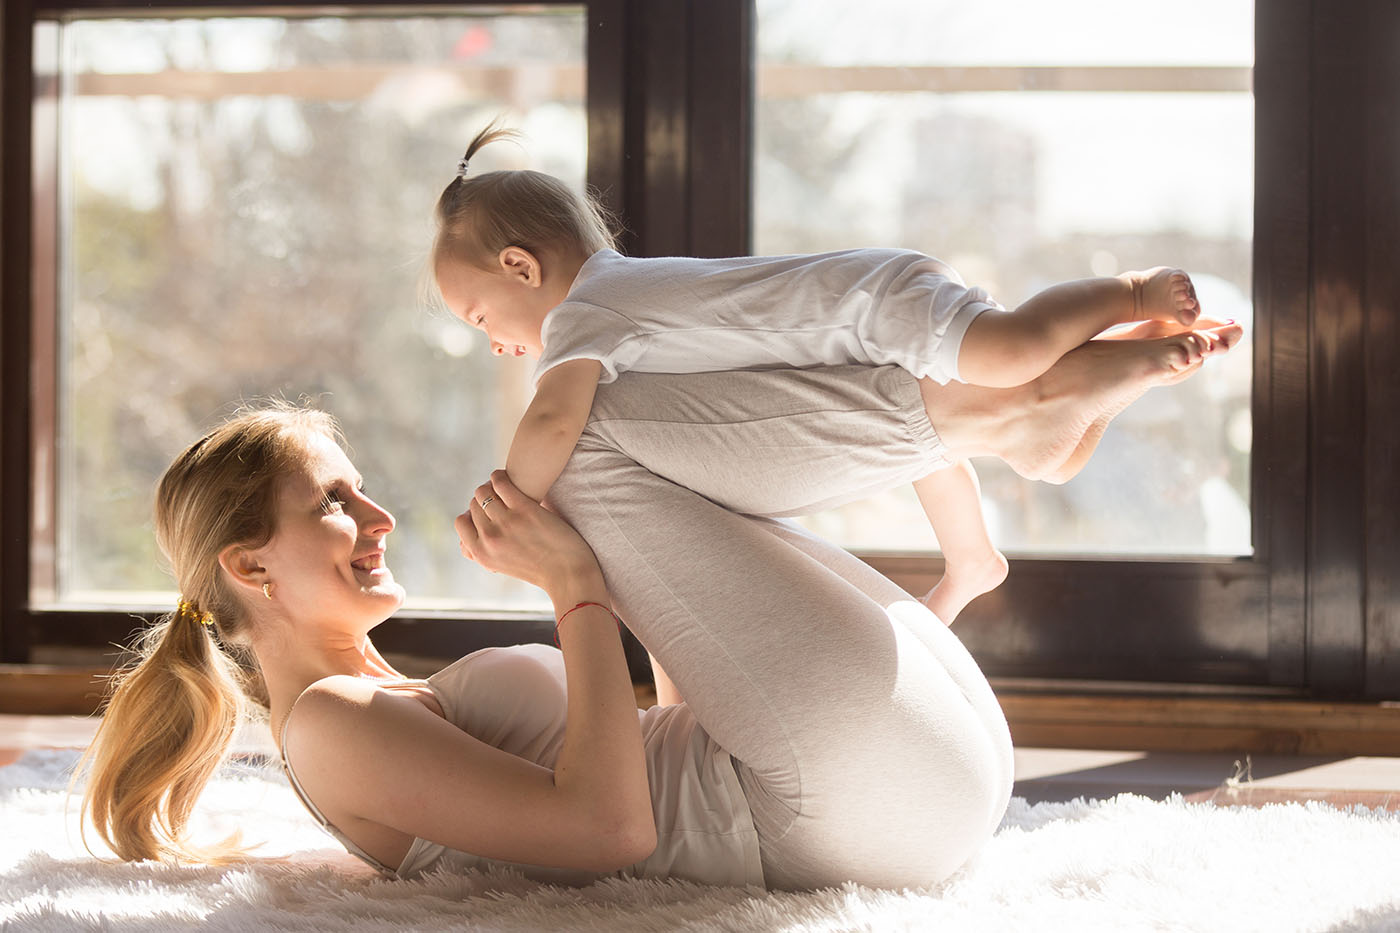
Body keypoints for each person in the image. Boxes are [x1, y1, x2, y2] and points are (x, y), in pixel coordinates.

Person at [78, 334, 1237, 890]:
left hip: (895, 785)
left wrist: (622, 586)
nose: (379, 512)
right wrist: (580, 588)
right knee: (580, 449)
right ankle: (983, 417)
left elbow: (669, 733)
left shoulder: (370, 697)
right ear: (252, 567)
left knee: (602, 451)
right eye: (335, 501)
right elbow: (608, 833)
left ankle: (977, 420)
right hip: (833, 812)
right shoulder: (328, 723)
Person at [430, 123, 1230, 624]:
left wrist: (510, 500)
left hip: (876, 305)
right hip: (858, 334)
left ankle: (1128, 294)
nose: (495, 343)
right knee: (929, 450)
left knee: (1015, 348)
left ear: (519, 266)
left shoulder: (586, 312)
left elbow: (552, 422)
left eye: (480, 318)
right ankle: (973, 560)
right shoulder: (619, 298)